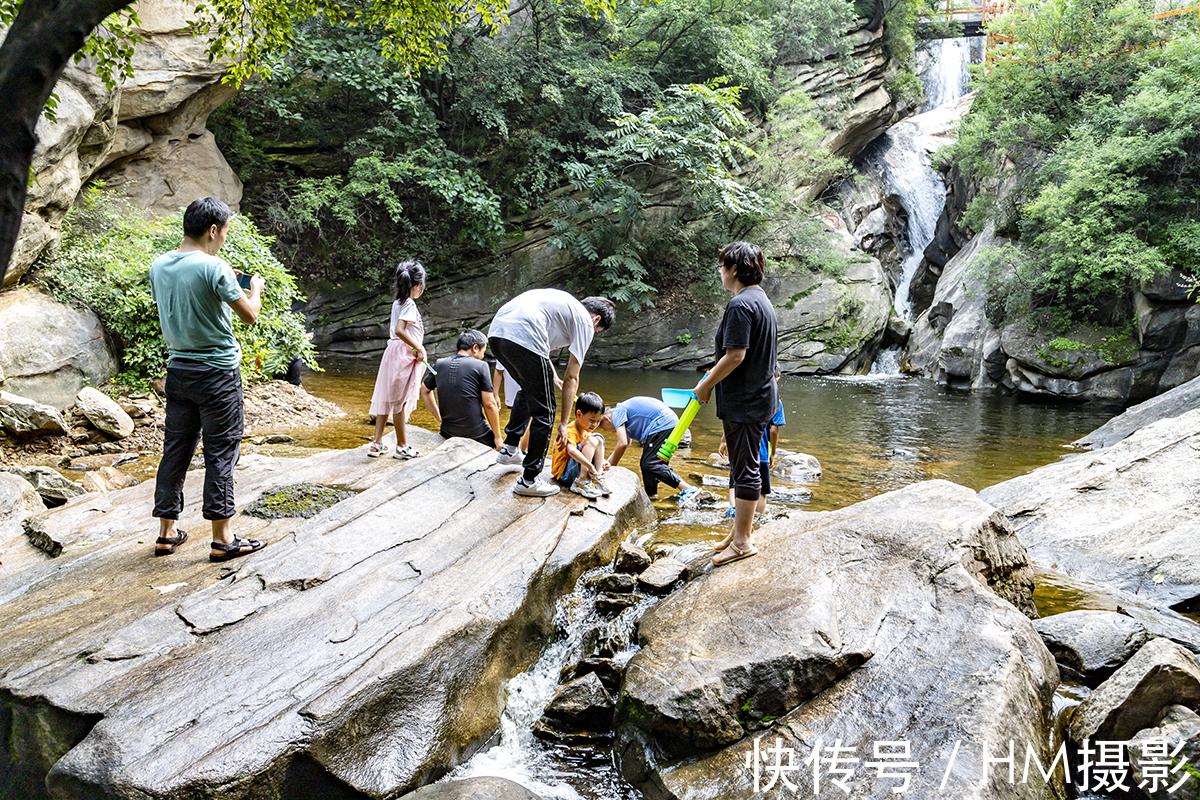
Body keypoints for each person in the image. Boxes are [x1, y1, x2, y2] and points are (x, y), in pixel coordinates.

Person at [149, 196, 266, 562]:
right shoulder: (214, 267)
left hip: (179, 371)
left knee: (176, 449)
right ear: (213, 230)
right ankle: (223, 539)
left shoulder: (159, 266)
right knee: (221, 450)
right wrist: (254, 291)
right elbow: (249, 316)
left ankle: (167, 532)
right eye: (224, 233)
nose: (224, 241)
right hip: (217, 372)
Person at [692, 241, 778, 566]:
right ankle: (738, 531)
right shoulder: (761, 300)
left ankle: (742, 541)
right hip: (757, 399)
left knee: (744, 468)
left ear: (735, 269)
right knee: (743, 465)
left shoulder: (741, 305)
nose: (720, 271)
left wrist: (704, 385)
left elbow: (736, 355)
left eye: (722, 265)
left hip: (746, 402)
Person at [487, 289, 616, 497]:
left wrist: (551, 377)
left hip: (497, 334)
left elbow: (543, 355)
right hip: (523, 337)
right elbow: (572, 377)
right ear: (596, 319)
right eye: (597, 331)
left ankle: (510, 449)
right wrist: (564, 423)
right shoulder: (585, 322)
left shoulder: (564, 308)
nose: (593, 335)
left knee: (528, 391)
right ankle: (528, 480)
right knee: (546, 412)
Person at [368, 260, 427, 460]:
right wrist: (419, 347)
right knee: (399, 403)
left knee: (388, 398)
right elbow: (399, 330)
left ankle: (377, 443)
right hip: (403, 355)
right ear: (418, 286)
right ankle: (402, 446)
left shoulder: (398, 302)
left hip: (393, 353)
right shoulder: (409, 304)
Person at [600, 396, 698, 499]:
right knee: (646, 464)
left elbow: (622, 443)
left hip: (662, 424)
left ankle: (687, 488)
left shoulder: (617, 412)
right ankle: (651, 496)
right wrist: (608, 464)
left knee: (650, 463)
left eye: (605, 429)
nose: (610, 431)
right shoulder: (622, 413)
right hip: (667, 423)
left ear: (606, 418)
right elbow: (627, 443)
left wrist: (610, 469)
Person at [420, 329, 502, 449]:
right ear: (475, 348)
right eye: (483, 351)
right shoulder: (481, 366)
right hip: (477, 434)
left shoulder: (439, 364)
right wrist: (498, 437)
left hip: (448, 432)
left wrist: (439, 417)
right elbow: (489, 404)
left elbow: (424, 390)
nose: (483, 356)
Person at [721, 399, 784, 517]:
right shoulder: (775, 400)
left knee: (735, 482)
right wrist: (773, 453)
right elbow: (774, 430)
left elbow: (730, 419)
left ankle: (734, 510)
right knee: (762, 490)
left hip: (739, 449)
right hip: (761, 452)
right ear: (777, 379)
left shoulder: (744, 394)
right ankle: (757, 518)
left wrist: (724, 441)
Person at [493, 360, 562, 455]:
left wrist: (555, 377)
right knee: (519, 421)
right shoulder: (507, 347)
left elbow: (545, 358)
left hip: (532, 388)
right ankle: (516, 450)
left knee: (535, 420)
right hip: (514, 390)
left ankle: (522, 450)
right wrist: (495, 394)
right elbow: (498, 371)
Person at [551, 392, 610, 499]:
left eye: (598, 421)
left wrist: (602, 461)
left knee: (599, 439)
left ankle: (598, 476)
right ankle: (581, 482)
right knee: (593, 440)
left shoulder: (586, 430)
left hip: (574, 468)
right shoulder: (569, 430)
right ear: (579, 414)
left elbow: (591, 448)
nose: (595, 425)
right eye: (592, 421)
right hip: (563, 473)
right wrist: (590, 466)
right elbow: (571, 451)